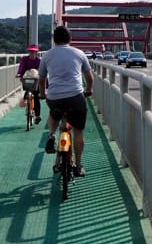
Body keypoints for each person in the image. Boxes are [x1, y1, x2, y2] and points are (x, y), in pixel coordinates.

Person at [37, 25, 94, 178]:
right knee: (78, 131)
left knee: (54, 113)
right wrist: (88, 89)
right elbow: (89, 77)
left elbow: (41, 79)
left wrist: (43, 94)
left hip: (54, 96)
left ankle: (51, 135)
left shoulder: (47, 55)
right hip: (75, 96)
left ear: (54, 40)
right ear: (70, 39)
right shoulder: (79, 53)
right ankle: (79, 165)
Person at [16, 45, 42, 124]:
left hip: (35, 80)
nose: (32, 53)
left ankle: (37, 115)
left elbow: (41, 71)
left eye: (34, 52)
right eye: (30, 51)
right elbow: (21, 67)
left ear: (36, 52)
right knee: (28, 89)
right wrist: (19, 73)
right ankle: (25, 102)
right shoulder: (24, 59)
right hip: (26, 78)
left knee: (36, 97)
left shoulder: (39, 61)